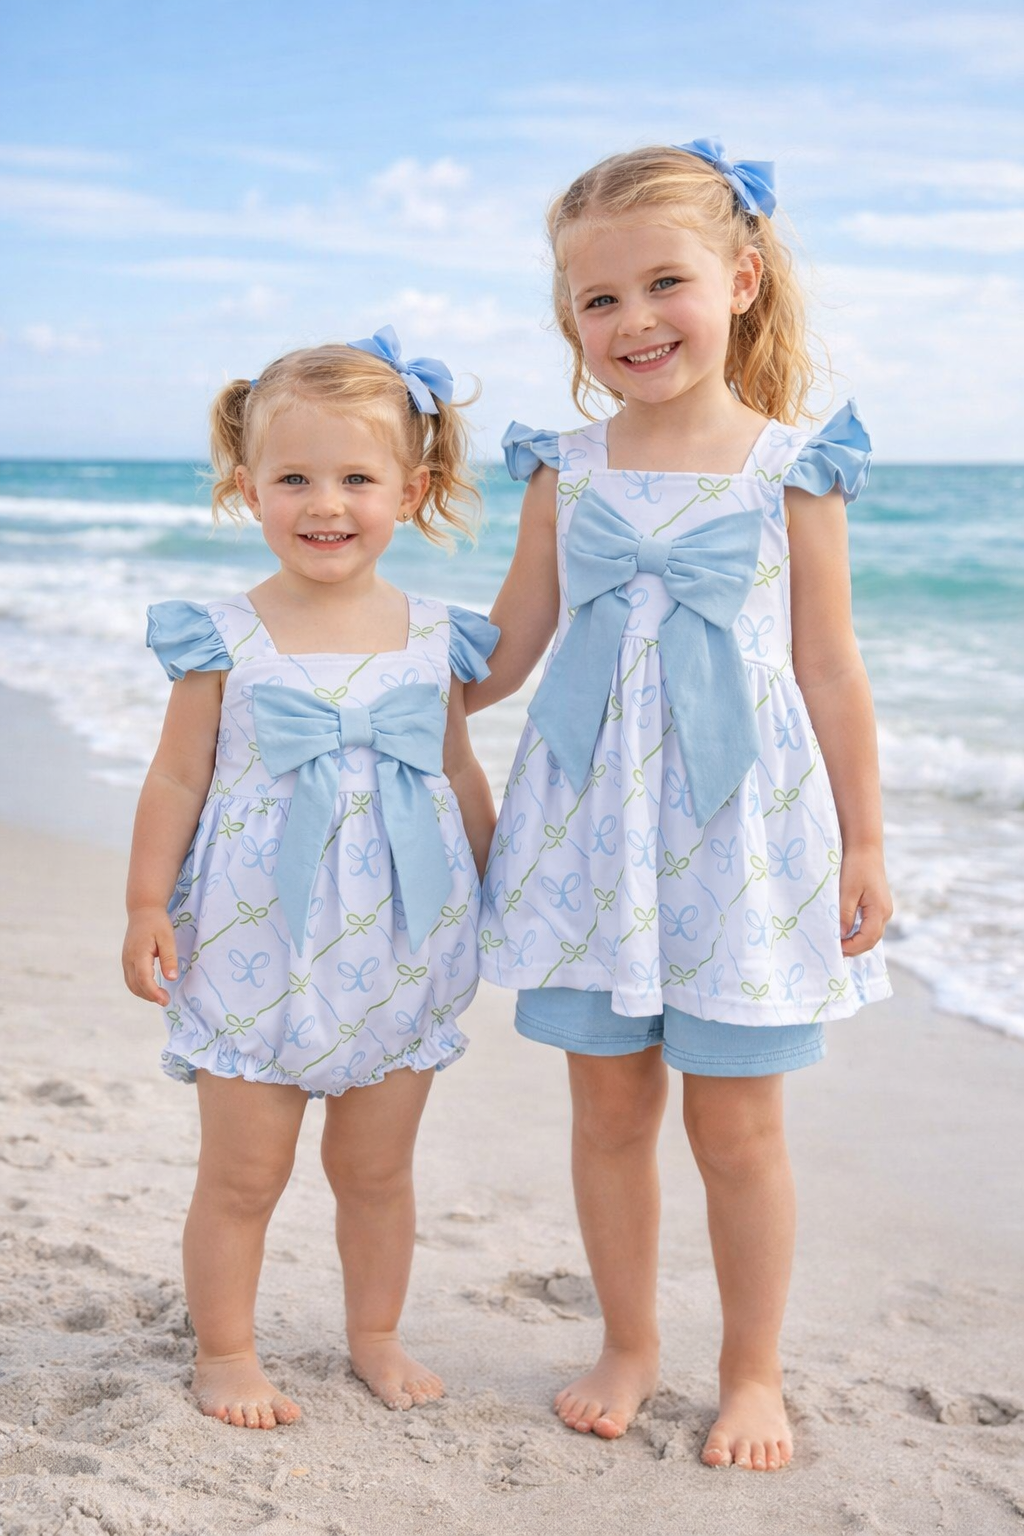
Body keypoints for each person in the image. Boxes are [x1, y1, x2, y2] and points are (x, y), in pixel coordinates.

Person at [468, 139, 893, 1470]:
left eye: (666, 284)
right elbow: (510, 645)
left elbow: (829, 665)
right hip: (589, 834)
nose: (635, 320)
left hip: (742, 840)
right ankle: (628, 1342)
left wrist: (867, 841)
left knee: (738, 1125)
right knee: (608, 1114)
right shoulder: (565, 468)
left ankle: (752, 1371)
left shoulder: (792, 468)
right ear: (569, 319)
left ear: (742, 282)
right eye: (599, 299)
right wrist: (361, 688)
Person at [122, 329, 497, 1429]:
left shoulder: (436, 639)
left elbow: (460, 775)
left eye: (356, 479)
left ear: (410, 492)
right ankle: (227, 1352)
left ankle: (374, 1334)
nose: (324, 504)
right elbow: (176, 777)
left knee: (376, 1173)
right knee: (244, 1175)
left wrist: (501, 891)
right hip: (253, 946)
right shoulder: (222, 640)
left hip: (400, 946)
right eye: (293, 478)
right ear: (248, 488)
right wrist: (144, 903)